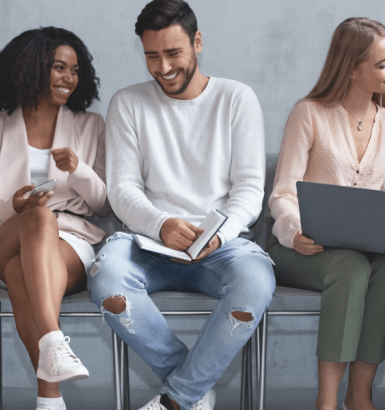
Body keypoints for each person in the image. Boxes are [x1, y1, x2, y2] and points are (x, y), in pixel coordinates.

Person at [87, 1, 276, 409]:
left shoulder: (237, 99)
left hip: (221, 247)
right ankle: (193, 388)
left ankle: (176, 400)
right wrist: (161, 224)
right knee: (106, 277)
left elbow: (248, 191)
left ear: (198, 42)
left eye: (173, 53)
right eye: (152, 56)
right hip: (147, 244)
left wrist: (220, 232)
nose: (163, 67)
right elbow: (122, 189)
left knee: (256, 281)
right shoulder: (127, 102)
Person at [0, 27, 110, 410]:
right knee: (36, 217)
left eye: (75, 70)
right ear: (32, 68)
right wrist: (13, 206)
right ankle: (53, 339)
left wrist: (80, 169)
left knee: (22, 272)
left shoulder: (90, 125)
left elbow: (102, 205)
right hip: (6, 234)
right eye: (58, 67)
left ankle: (48, 398)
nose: (69, 78)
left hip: (71, 240)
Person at [266, 17, 385, 410]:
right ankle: (328, 402)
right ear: (352, 68)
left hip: (364, 250)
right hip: (299, 247)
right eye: (382, 64)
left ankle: (359, 395)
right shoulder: (309, 113)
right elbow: (282, 192)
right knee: (352, 268)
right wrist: (294, 231)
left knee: (377, 269)